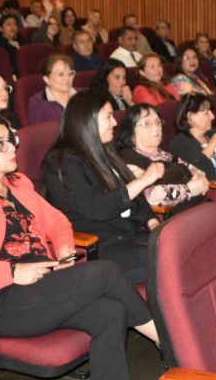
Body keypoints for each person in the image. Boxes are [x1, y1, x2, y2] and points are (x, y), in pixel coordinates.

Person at [0, 114, 158, 380]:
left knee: (110, 311)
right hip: (0, 300)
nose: (11, 146)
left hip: (40, 289)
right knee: (105, 271)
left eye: (10, 139)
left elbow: (56, 221)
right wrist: (11, 272)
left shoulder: (18, 183)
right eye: (0, 144)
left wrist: (65, 245)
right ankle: (170, 347)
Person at [42, 91, 163, 283]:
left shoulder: (104, 149)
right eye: (108, 116)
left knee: (179, 246)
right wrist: (143, 180)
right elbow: (97, 207)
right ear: (87, 122)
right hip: (101, 246)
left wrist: (152, 221)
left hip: (129, 235)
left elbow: (135, 197)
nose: (115, 123)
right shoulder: (62, 162)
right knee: (169, 263)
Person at [115, 104, 210, 213]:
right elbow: (150, 195)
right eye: (147, 123)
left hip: (199, 206)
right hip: (175, 219)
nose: (156, 128)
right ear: (130, 131)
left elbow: (192, 168)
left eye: (157, 122)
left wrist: (200, 176)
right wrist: (189, 190)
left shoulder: (165, 152)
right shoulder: (128, 159)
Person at [28, 54, 76, 124]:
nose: (67, 78)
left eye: (70, 73)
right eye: (60, 74)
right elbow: (40, 133)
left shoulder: (84, 95)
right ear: (46, 79)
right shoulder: (37, 103)